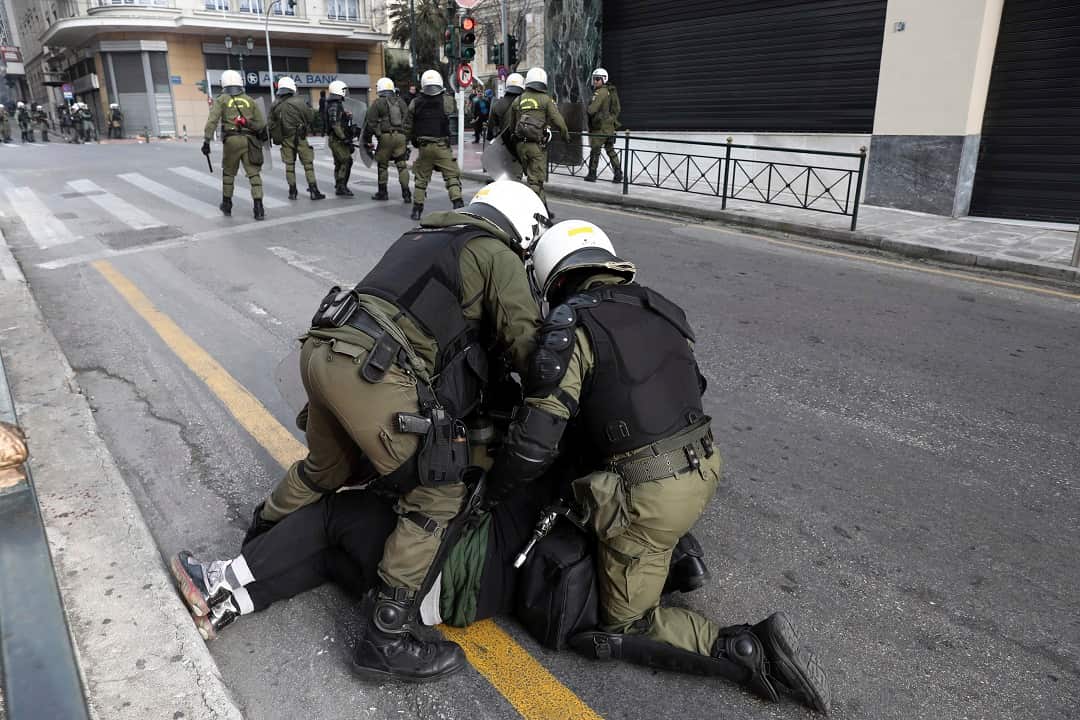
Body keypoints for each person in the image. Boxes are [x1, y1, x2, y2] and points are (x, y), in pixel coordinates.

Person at [480, 220, 832, 714]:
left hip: (652, 498)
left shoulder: (571, 328)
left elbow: (534, 443)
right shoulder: (656, 308)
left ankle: (750, 651)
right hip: (704, 468)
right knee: (611, 479)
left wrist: (493, 494)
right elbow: (688, 391)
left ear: (552, 277)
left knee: (623, 624)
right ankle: (676, 555)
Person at [232, 180, 548, 682]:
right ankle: (386, 639)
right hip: (370, 372)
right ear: (526, 229)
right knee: (436, 492)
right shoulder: (496, 253)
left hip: (320, 351)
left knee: (326, 468)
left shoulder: (423, 237)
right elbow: (528, 345)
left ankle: (262, 539)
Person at [202, 69, 268, 220]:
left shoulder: (222, 99)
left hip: (231, 141)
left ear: (224, 83)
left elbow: (212, 120)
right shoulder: (250, 100)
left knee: (228, 173)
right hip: (250, 140)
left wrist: (206, 140)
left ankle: (227, 205)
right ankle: (259, 208)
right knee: (254, 174)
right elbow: (261, 123)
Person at [509, 68, 569, 214]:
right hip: (536, 147)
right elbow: (558, 120)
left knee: (534, 179)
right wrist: (565, 135)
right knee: (535, 182)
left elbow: (512, 125)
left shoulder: (519, 99)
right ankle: (532, 214)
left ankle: (545, 211)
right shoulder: (546, 100)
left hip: (520, 146)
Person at [404, 69, 463, 221]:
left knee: (421, 179)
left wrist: (409, 143)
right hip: (442, 146)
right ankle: (459, 206)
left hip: (424, 147)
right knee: (452, 178)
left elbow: (407, 127)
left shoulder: (415, 102)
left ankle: (416, 210)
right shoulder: (446, 100)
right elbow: (453, 112)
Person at [269, 77, 325, 201]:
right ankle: (314, 191)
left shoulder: (275, 104)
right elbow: (310, 118)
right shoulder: (300, 102)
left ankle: (292, 192)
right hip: (300, 137)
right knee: (308, 164)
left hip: (285, 138)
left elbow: (271, 122)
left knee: (289, 165)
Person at [362, 77, 411, 204]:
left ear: (380, 89)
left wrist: (375, 136)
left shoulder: (378, 103)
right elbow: (408, 121)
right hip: (401, 137)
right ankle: (406, 193)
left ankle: (382, 193)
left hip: (386, 137)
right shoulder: (401, 102)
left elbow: (370, 123)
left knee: (382, 165)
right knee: (401, 165)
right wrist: (406, 138)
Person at [585, 68, 623, 183]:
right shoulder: (610, 91)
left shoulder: (600, 92)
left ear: (603, 79)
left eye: (597, 79)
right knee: (610, 150)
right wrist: (610, 121)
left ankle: (592, 174)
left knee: (595, 151)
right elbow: (617, 110)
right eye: (594, 79)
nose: (595, 81)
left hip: (599, 129)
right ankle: (618, 174)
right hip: (609, 128)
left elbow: (591, 110)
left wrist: (589, 109)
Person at [485, 73, 525, 180]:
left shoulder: (497, 104)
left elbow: (490, 132)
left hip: (501, 148)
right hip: (517, 149)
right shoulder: (524, 104)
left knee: (501, 179)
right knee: (515, 181)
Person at [325, 80, 356, 197]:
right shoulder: (334, 105)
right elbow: (335, 124)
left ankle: (339, 185)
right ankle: (341, 186)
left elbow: (337, 120)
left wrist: (345, 115)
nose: (345, 92)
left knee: (339, 162)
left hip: (336, 138)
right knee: (346, 161)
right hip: (337, 139)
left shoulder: (335, 104)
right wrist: (344, 138)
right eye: (343, 90)